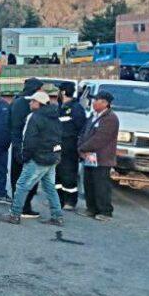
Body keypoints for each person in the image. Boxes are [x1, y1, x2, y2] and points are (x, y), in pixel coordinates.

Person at [0, 90, 64, 226]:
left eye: (33, 101)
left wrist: (24, 156)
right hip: (51, 157)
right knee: (50, 187)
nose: (30, 103)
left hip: (38, 158)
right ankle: (57, 216)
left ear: (39, 103)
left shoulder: (34, 117)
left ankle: (14, 214)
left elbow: (29, 140)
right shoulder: (54, 116)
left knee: (22, 185)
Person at [78, 90, 119, 221]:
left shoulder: (110, 118)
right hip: (90, 158)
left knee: (101, 185)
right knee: (89, 183)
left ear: (105, 103)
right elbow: (84, 132)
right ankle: (91, 208)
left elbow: (100, 139)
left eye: (97, 100)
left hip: (102, 158)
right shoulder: (94, 115)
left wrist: (83, 147)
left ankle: (105, 211)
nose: (94, 102)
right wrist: (81, 147)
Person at [10, 77, 43, 219]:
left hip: (16, 145)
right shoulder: (32, 105)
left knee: (16, 176)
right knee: (29, 178)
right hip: (29, 147)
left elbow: (9, 123)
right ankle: (25, 207)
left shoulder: (16, 102)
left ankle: (17, 204)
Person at [56, 82, 87, 210]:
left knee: (68, 174)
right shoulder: (60, 107)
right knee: (57, 175)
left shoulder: (76, 108)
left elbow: (81, 129)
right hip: (58, 147)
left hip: (70, 148)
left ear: (63, 92)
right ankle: (58, 200)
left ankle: (70, 201)